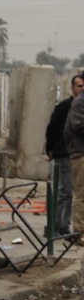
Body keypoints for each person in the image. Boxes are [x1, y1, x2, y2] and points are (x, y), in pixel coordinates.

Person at [45, 74, 84, 236]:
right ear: (72, 88)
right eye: (79, 86)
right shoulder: (67, 106)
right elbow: (52, 129)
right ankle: (56, 226)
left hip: (72, 152)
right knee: (65, 191)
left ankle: (63, 226)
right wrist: (50, 149)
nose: (81, 89)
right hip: (65, 152)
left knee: (70, 192)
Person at [64, 74, 84, 243]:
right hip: (81, 154)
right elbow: (79, 125)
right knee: (81, 194)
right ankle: (79, 232)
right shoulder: (79, 103)